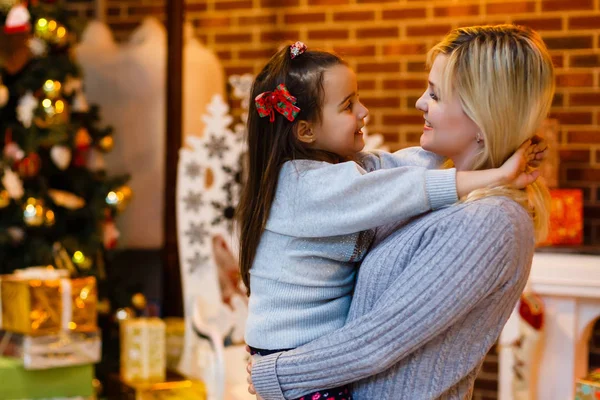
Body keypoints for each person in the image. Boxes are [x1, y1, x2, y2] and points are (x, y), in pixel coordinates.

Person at [247, 24, 554, 399]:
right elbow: (397, 175)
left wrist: (275, 374)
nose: (420, 103)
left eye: (436, 95)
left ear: (482, 114)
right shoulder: (446, 200)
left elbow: (379, 340)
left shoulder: (491, 220)